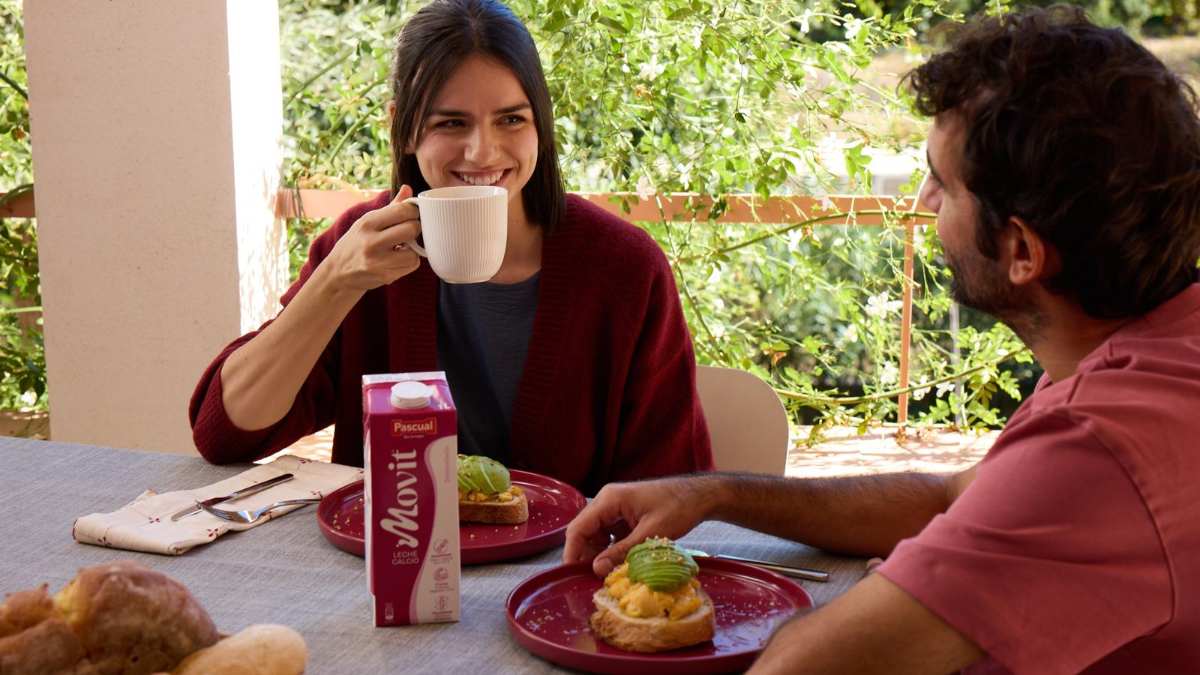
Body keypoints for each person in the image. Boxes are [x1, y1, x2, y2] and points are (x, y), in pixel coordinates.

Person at [565, 7, 1200, 673]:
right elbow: (954, 496)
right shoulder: (1150, 350)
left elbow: (794, 668)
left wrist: (884, 602)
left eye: (942, 182)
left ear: (1021, 250)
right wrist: (713, 494)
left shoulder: (1096, 446)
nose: (924, 201)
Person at [189, 0, 712, 494]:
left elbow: (672, 484)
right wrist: (334, 283)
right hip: (395, 565)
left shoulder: (623, 267)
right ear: (404, 129)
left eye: (511, 119)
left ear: (541, 126)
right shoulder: (361, 248)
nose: (482, 152)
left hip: (565, 572)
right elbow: (226, 435)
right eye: (451, 123)